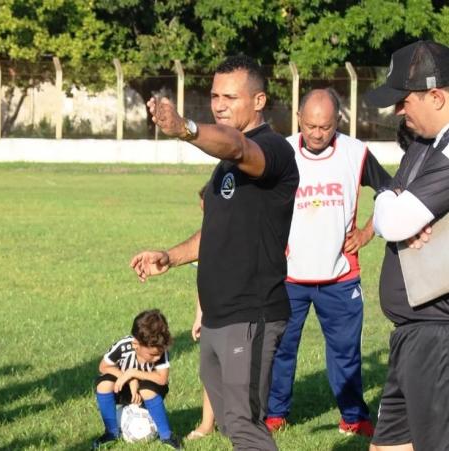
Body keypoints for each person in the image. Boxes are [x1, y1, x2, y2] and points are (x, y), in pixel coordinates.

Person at [130, 55, 299, 451]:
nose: (219, 104)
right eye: (214, 96)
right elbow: (215, 230)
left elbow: (239, 146)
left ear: (259, 101)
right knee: (229, 421)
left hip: (251, 313)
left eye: (230, 97)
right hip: (219, 315)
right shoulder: (223, 164)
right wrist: (170, 257)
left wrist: (186, 128)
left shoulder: (272, 149)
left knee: (245, 425)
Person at [265, 89, 391, 436]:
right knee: (280, 349)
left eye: (326, 126)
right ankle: (275, 413)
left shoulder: (356, 153)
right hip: (288, 277)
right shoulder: (281, 151)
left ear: (338, 121)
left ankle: (354, 416)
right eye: (310, 126)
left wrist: (368, 232)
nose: (318, 134)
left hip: (340, 277)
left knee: (346, 353)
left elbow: (391, 192)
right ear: (299, 120)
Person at [365, 40, 449, 451]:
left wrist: (392, 209)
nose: (398, 111)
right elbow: (390, 207)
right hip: (412, 333)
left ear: (436, 96)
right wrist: (391, 208)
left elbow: (394, 217)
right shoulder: (423, 144)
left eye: (404, 101)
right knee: (387, 447)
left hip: (437, 334)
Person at [92, 309, 181, 449]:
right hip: (125, 390)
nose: (157, 358)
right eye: (152, 355)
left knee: (146, 389)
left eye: (159, 354)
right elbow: (103, 367)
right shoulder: (123, 346)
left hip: (149, 392)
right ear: (136, 345)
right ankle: (111, 432)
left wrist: (134, 373)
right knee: (103, 384)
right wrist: (128, 378)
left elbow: (162, 379)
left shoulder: (159, 350)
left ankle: (166, 435)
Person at [186, 183, 216, 441]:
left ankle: (243, 421)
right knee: (210, 370)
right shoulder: (205, 235)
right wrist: (199, 315)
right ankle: (207, 424)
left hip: (242, 312)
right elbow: (202, 279)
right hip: (213, 313)